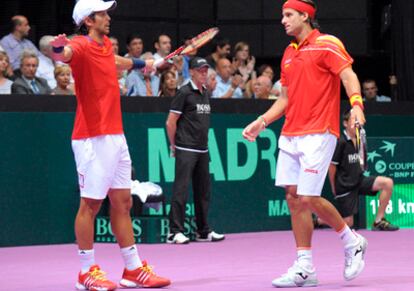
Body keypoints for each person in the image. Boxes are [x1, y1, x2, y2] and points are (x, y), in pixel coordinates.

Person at [242, 0, 368, 287]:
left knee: (309, 197)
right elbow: (284, 100)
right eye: (282, 15)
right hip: (290, 134)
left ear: (305, 16)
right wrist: (261, 122)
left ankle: (352, 241)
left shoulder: (327, 44)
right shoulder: (289, 52)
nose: (283, 21)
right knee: (293, 197)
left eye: (289, 15)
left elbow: (348, 75)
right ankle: (305, 266)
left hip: (319, 132)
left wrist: (357, 104)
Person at [50, 0, 170, 289]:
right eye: (102, 14)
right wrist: (55, 47)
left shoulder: (105, 47)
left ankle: (132, 269)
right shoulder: (78, 45)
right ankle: (86, 271)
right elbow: (60, 54)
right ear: (89, 20)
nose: (108, 18)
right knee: (90, 205)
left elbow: (119, 61)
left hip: (116, 135)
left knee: (123, 202)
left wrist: (147, 64)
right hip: (92, 138)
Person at [165, 57, 225, 244]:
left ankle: (202, 231)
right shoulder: (183, 92)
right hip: (185, 147)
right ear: (191, 72)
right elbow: (170, 122)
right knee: (181, 191)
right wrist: (174, 145)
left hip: (203, 149)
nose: (204, 73)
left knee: (203, 191)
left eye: (206, 70)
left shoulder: (205, 92)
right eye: (200, 70)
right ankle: (174, 232)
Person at [315, 110, 399, 231]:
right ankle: (318, 220)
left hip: (359, 181)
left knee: (387, 183)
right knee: (348, 222)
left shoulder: (361, 138)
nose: (357, 123)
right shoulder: (340, 141)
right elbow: (332, 166)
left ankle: (378, 221)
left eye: (358, 121)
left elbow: (362, 161)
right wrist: (334, 187)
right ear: (345, 123)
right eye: (354, 120)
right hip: (345, 186)